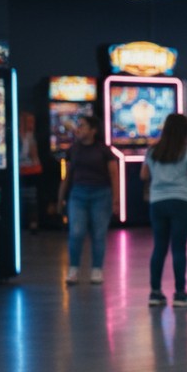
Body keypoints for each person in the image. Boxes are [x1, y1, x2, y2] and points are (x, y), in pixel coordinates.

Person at [141, 113, 187, 307]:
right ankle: (179, 294)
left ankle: (155, 293)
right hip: (181, 202)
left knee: (159, 247)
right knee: (178, 248)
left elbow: (143, 174)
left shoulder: (153, 151)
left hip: (157, 202)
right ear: (185, 130)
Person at [57, 116, 118, 284]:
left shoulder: (104, 150)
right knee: (76, 232)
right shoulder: (73, 150)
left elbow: (114, 174)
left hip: (101, 194)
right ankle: (73, 268)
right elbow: (67, 176)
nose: (79, 129)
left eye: (83, 126)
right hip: (78, 194)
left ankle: (97, 269)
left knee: (99, 234)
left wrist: (116, 199)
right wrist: (60, 198)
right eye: (78, 125)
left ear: (93, 130)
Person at [18, 112, 42, 234]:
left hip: (30, 171)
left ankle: (32, 224)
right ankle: (26, 223)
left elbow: (32, 154)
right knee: (25, 198)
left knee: (31, 198)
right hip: (24, 171)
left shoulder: (30, 136)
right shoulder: (22, 136)